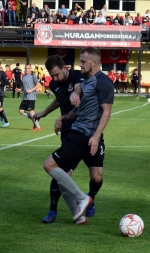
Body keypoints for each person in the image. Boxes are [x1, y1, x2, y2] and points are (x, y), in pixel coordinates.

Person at [42, 47, 114, 222]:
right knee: (52, 166)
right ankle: (77, 209)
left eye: (83, 61)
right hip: (79, 134)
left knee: (97, 177)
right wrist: (63, 117)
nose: (79, 64)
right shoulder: (87, 82)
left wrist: (96, 136)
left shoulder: (103, 82)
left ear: (95, 62)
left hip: (92, 135)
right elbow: (78, 110)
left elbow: (106, 112)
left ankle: (84, 199)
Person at [33, 56, 89, 224]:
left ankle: (81, 202)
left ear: (65, 67)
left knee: (57, 170)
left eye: (57, 74)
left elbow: (78, 92)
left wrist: (63, 117)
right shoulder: (54, 84)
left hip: (80, 131)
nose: (55, 79)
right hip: (66, 132)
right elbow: (59, 98)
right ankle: (77, 213)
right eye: (52, 76)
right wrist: (44, 112)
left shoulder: (78, 77)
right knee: (62, 173)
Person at [18, 64, 42, 131]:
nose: (27, 69)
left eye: (28, 68)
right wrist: (20, 89)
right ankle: (34, 120)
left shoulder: (32, 76)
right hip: (25, 97)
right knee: (21, 111)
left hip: (31, 97)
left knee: (31, 112)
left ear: (30, 69)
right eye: (26, 68)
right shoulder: (24, 76)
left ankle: (38, 127)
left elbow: (38, 84)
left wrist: (31, 90)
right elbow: (25, 87)